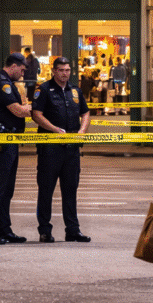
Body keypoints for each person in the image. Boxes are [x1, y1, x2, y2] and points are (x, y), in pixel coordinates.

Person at [31, 56, 91, 243]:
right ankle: (45, 230)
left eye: (67, 70)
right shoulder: (44, 90)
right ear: (54, 71)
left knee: (70, 190)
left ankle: (73, 230)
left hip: (71, 149)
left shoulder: (75, 91)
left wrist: (82, 131)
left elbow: (86, 112)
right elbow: (36, 114)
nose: (65, 73)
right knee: (46, 190)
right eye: (61, 70)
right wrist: (55, 130)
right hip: (50, 148)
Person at [0, 53, 33, 244]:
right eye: (22, 68)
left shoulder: (7, 83)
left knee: (7, 188)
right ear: (14, 66)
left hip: (9, 139)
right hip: (0, 141)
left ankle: (3, 229)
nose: (23, 72)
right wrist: (39, 108)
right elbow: (17, 109)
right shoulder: (0, 81)